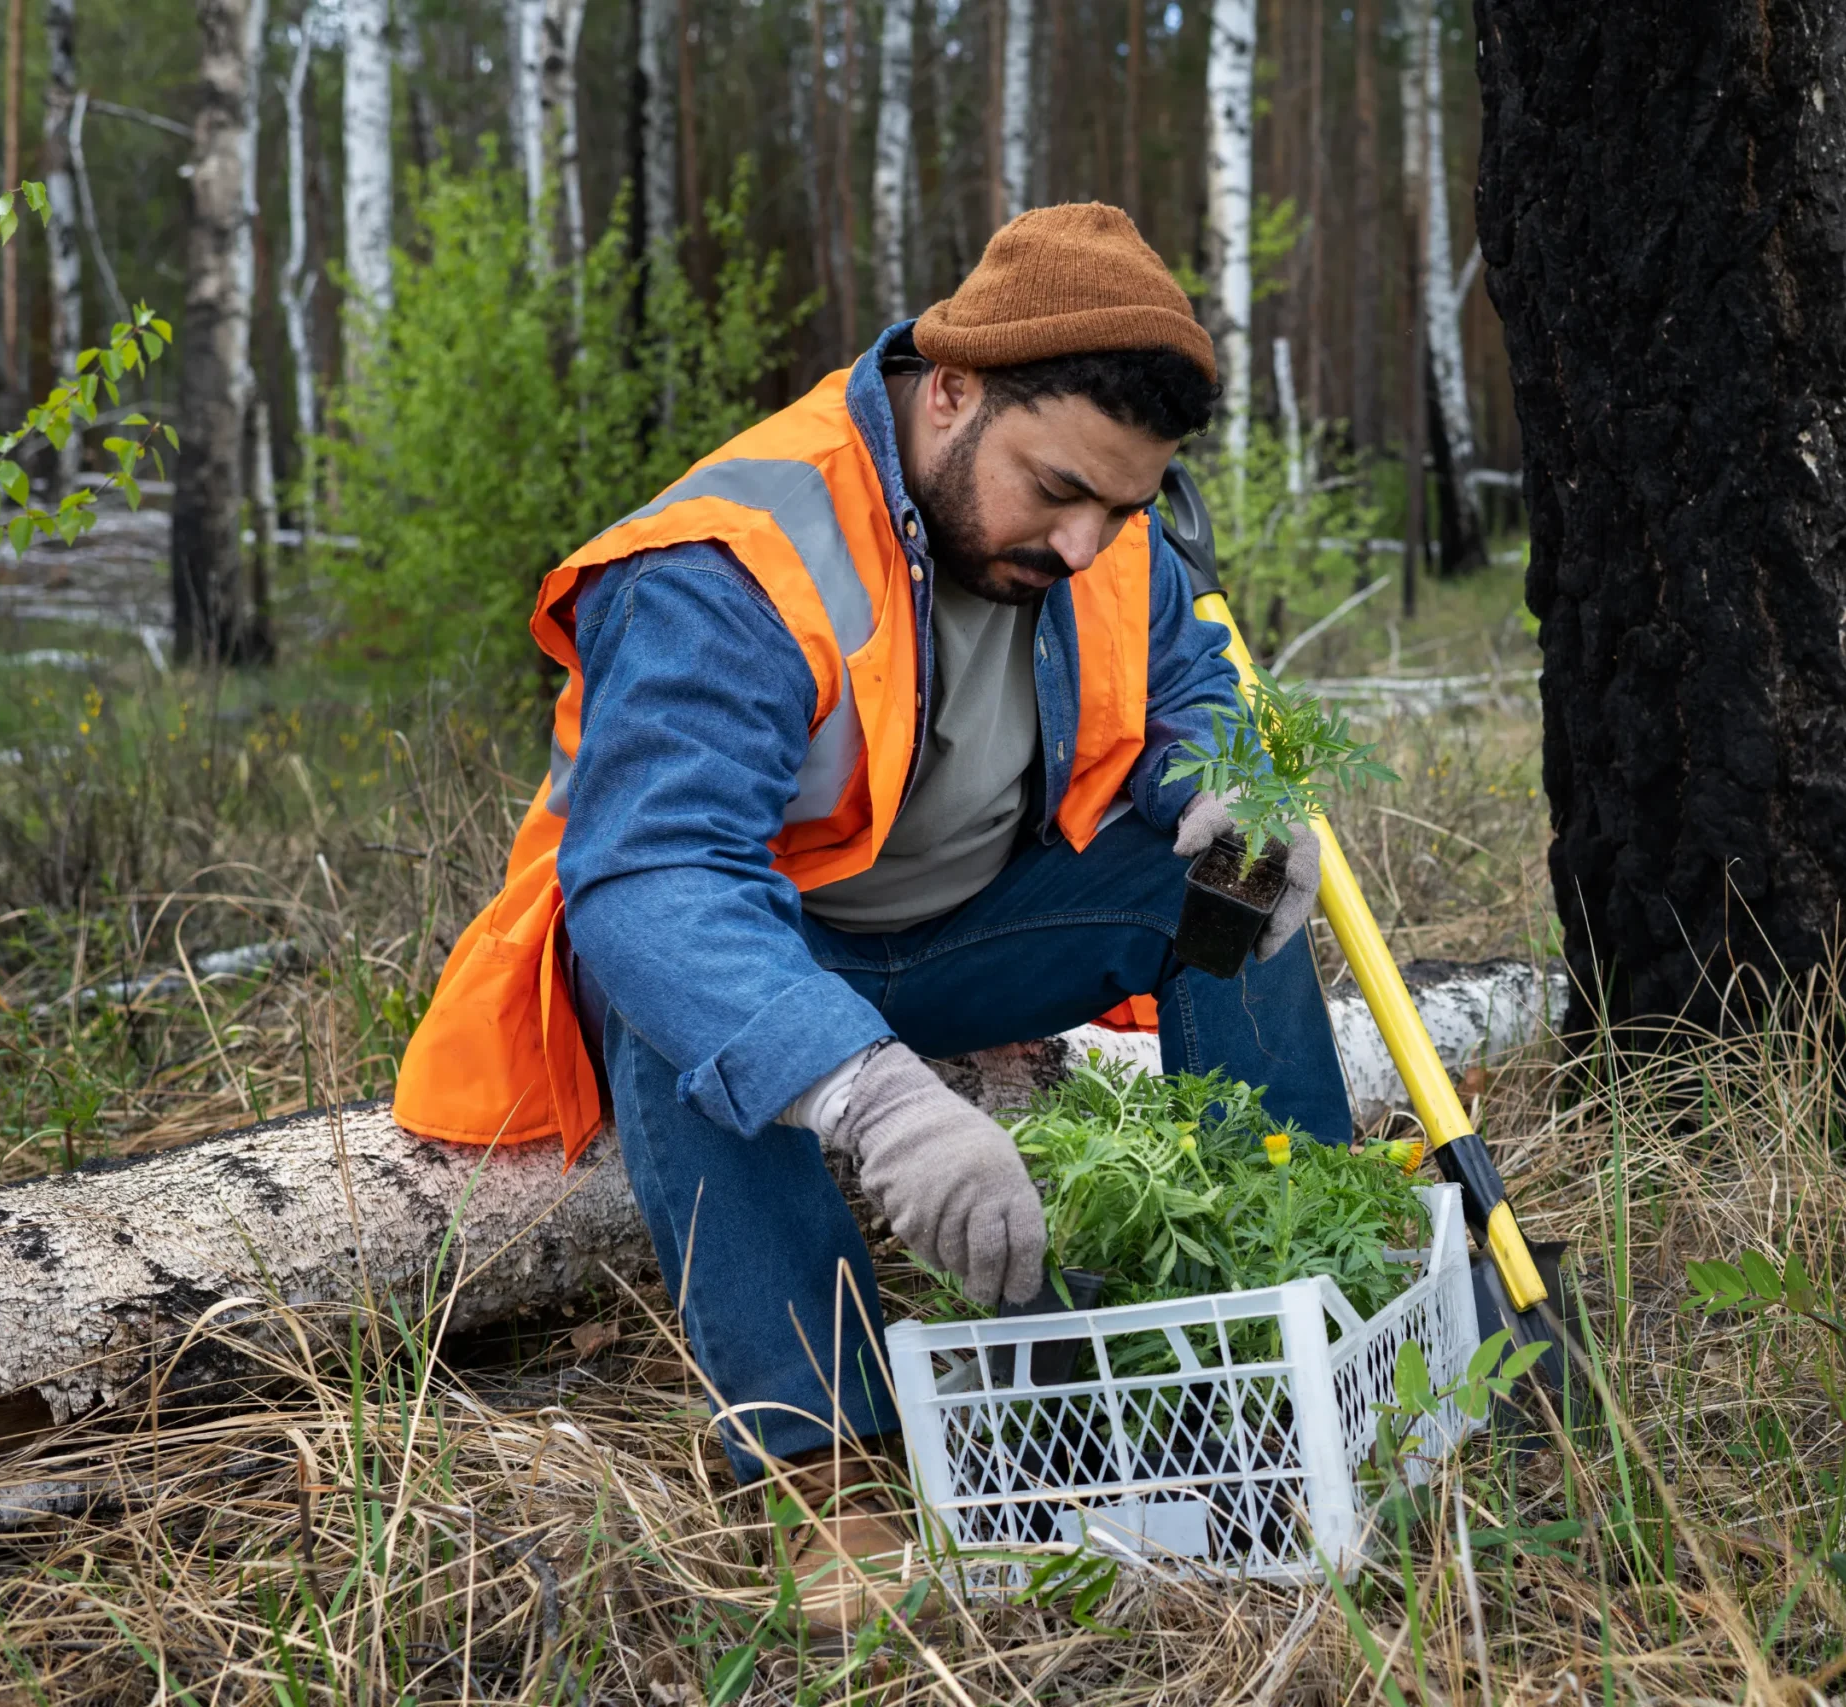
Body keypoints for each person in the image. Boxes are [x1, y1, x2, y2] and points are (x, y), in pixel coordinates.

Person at [387, 204, 1348, 1618]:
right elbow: (655, 884)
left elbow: (1182, 681)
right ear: (951, 390)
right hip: (761, 941)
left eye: (1120, 511)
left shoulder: (1100, 521)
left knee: (1228, 889)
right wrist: (878, 1102)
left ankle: (1292, 1296)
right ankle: (821, 1458)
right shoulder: (731, 555)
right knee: (678, 1003)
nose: (1085, 543)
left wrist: (1225, 792)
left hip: (964, 928)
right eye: (1057, 491)